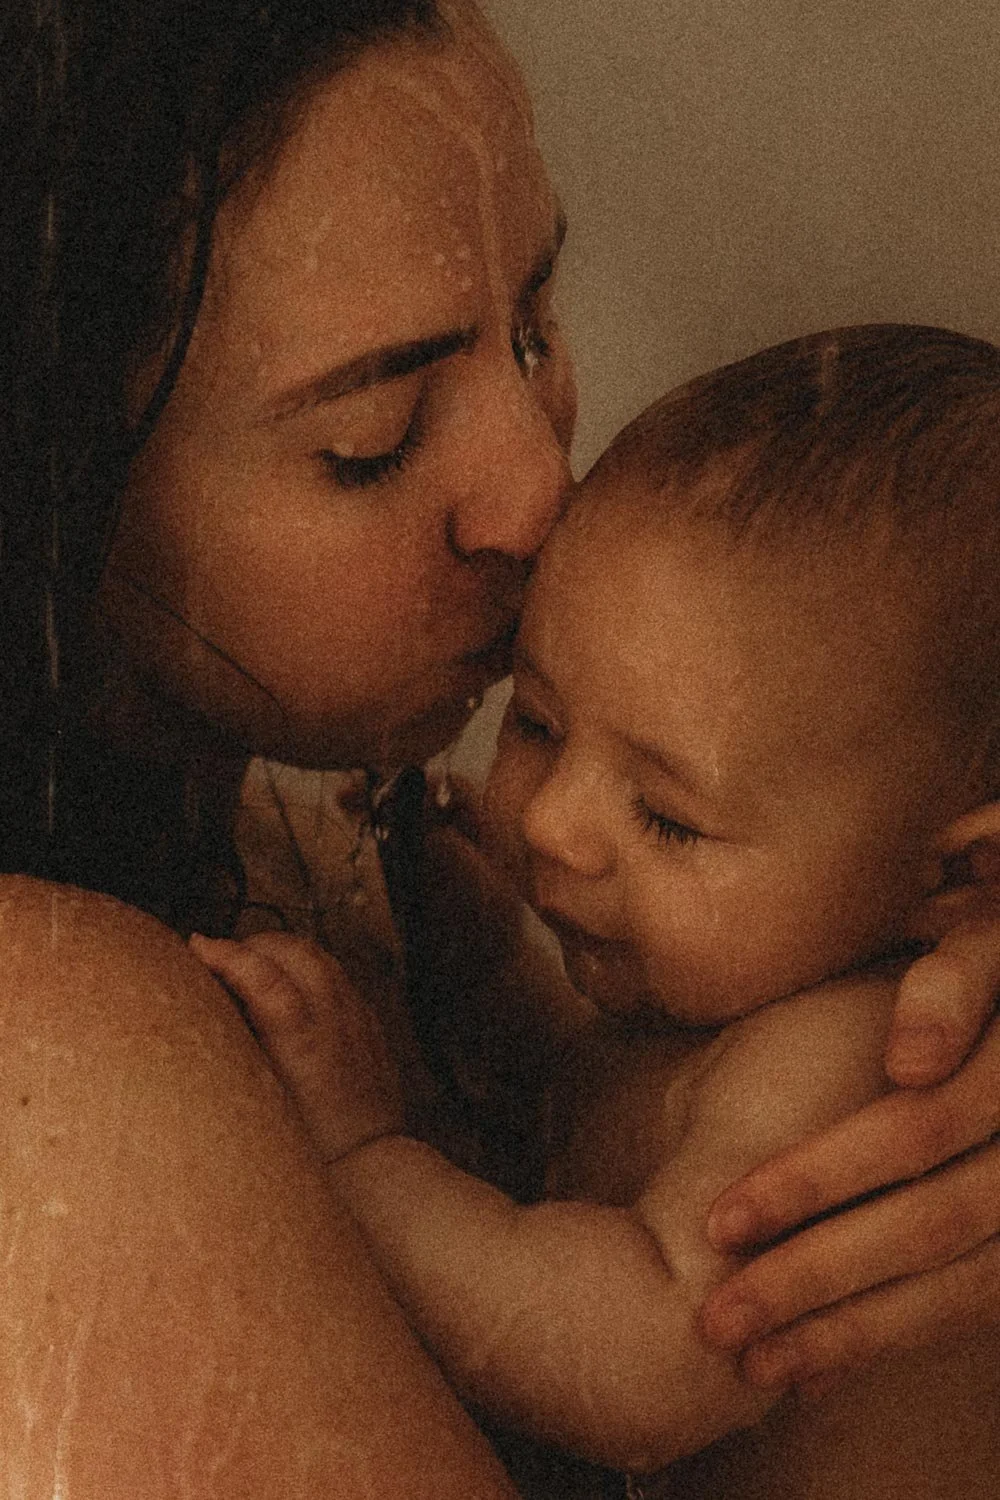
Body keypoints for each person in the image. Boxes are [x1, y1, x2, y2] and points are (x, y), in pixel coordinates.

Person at [0, 0, 999, 1487]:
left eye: (534, 326)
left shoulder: (354, 855)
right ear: (56, 488)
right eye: (376, 438)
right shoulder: (57, 1030)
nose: (542, 489)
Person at [198, 324, 1000, 1496]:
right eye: (535, 721)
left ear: (955, 883)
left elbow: (641, 1367)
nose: (549, 826)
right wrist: (489, 978)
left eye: (667, 820)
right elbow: (595, 1124)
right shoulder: (717, 1011)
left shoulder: (853, 1070)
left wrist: (363, 1159)